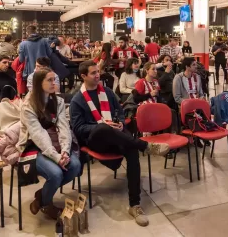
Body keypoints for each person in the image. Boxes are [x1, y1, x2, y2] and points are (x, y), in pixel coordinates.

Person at [70, 61, 169, 227]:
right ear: (83, 76)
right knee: (103, 128)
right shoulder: (77, 100)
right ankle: (144, 146)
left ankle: (134, 205)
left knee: (131, 150)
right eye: (93, 73)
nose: (97, 75)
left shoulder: (107, 92)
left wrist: (121, 123)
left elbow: (120, 112)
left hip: (117, 136)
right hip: (96, 140)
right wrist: (102, 126)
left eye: (98, 72)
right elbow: (78, 128)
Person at [19, 68, 80, 220]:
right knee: (56, 173)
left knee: (75, 166)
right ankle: (46, 204)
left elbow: (64, 127)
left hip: (56, 143)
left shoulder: (57, 101)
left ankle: (42, 195)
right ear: (39, 84)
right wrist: (56, 157)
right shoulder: (28, 105)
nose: (55, 83)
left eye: (55, 79)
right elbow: (38, 135)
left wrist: (65, 151)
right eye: (50, 80)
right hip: (32, 146)